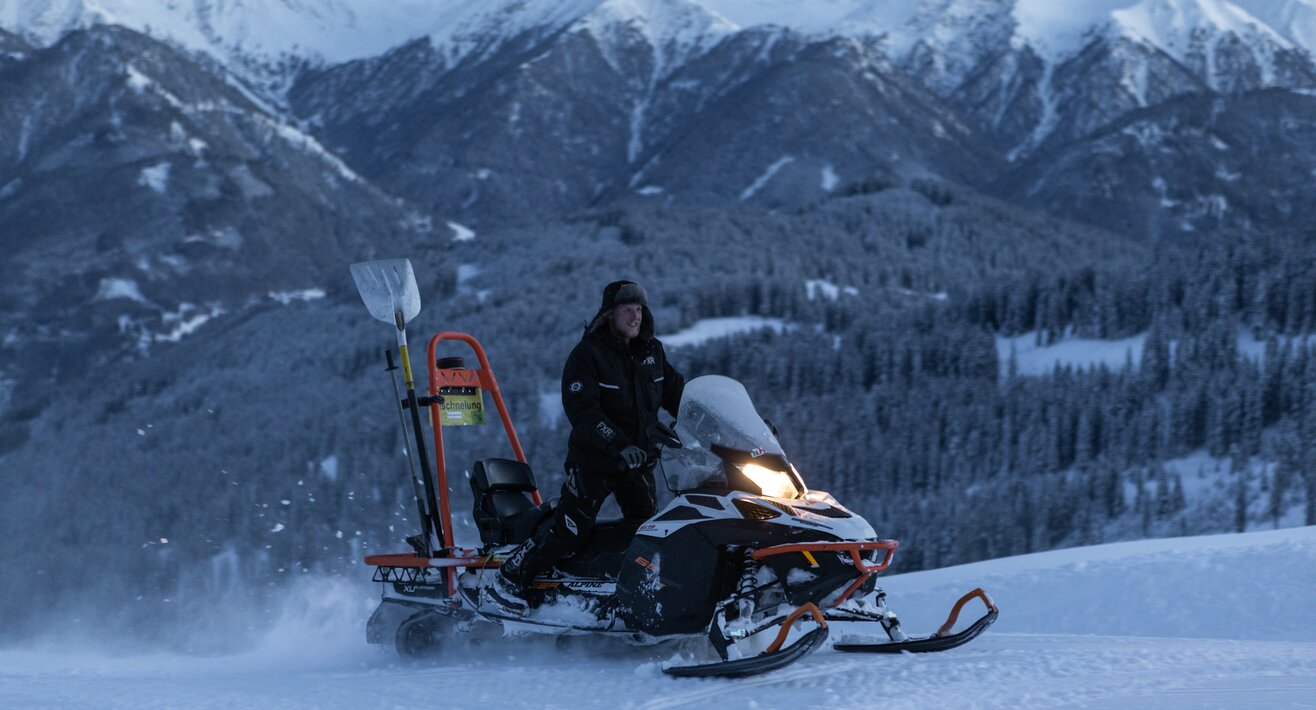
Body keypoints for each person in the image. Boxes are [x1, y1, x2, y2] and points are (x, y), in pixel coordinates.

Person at [484, 280, 685, 614]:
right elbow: (582, 411)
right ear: (609, 314)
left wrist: (718, 424)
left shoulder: (652, 352)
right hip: (594, 462)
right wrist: (618, 444)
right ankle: (508, 580)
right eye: (627, 310)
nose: (635, 317)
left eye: (639, 309)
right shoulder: (588, 355)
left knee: (646, 532)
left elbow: (680, 396)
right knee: (571, 530)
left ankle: (630, 597)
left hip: (637, 464)